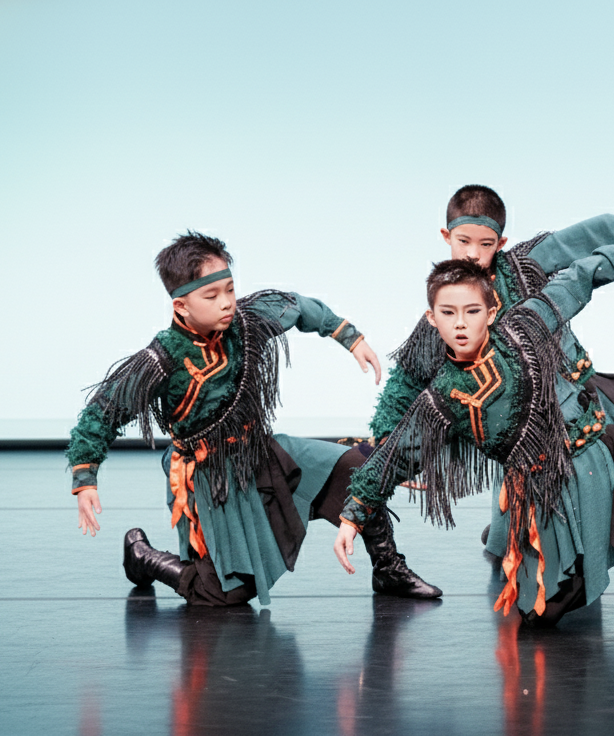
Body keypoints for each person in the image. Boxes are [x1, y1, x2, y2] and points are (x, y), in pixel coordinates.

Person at [335, 257, 614, 629]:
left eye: (471, 311)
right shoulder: (444, 398)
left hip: (612, 454)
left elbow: (581, 276)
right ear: (432, 319)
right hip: (553, 502)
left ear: (490, 312)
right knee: (544, 613)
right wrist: (353, 517)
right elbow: (396, 456)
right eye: (448, 314)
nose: (460, 324)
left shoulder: (527, 326)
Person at [68, 231, 440, 605]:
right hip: (210, 479)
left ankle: (388, 568)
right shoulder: (162, 359)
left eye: (229, 289)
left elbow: (297, 306)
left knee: (357, 469)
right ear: (181, 306)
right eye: (211, 296)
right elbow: (102, 412)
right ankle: (143, 556)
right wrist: (85, 479)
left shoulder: (245, 322)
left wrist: (349, 337)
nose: (226, 302)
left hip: (258, 452)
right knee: (226, 594)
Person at [374, 185, 614, 562]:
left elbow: (604, 228)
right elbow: (404, 384)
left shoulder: (525, 265)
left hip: (591, 395)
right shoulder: (443, 316)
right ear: (447, 237)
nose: (473, 253)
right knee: (542, 538)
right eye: (463, 241)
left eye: (485, 243)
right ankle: (518, 524)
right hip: (535, 434)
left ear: (500, 242)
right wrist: (385, 447)